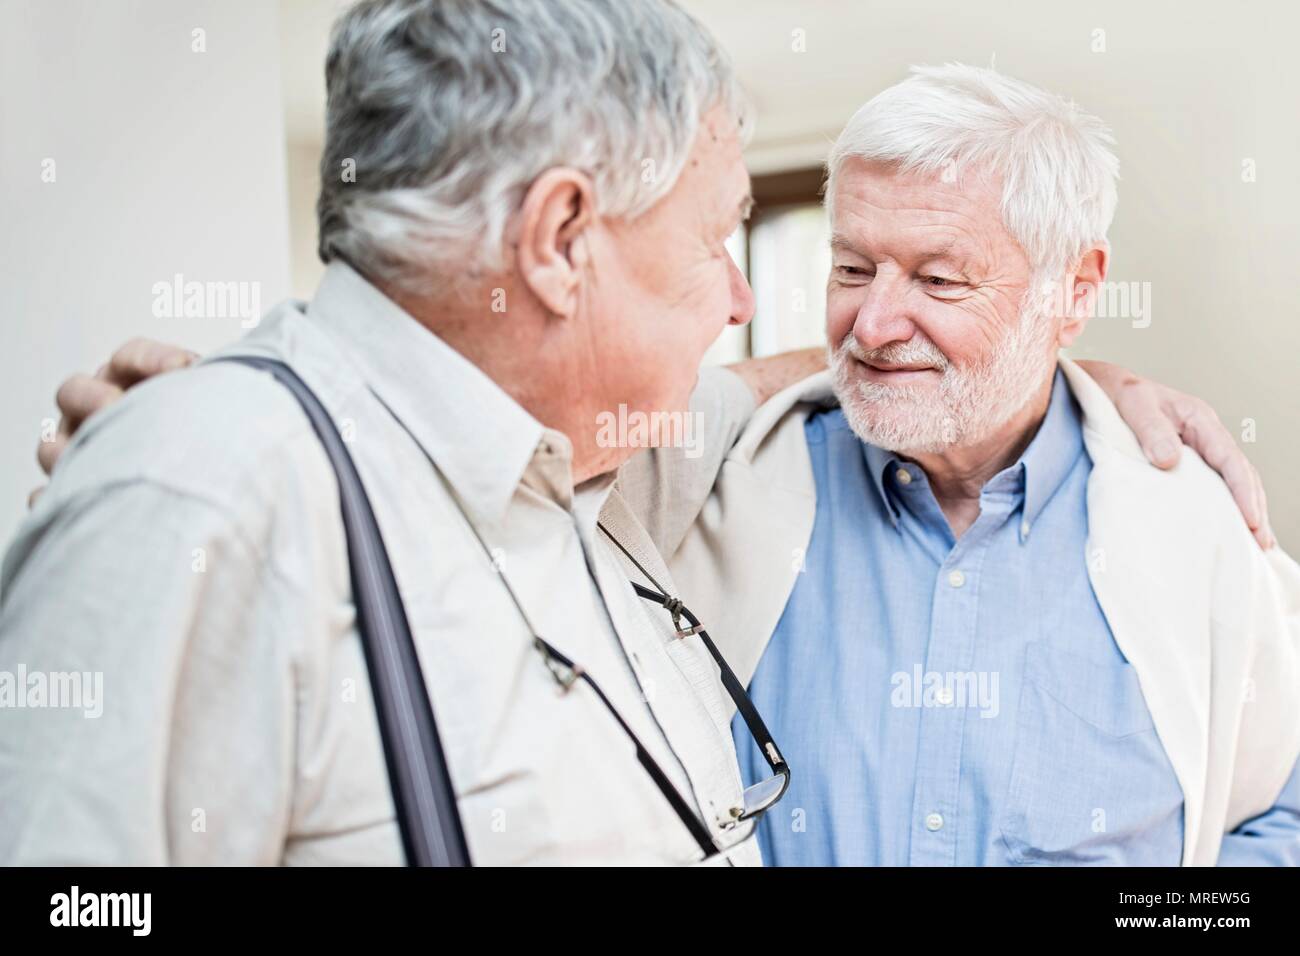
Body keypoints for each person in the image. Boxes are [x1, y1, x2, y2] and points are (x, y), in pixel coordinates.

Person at [4, 4, 1271, 866]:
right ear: (561, 242)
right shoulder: (215, 491)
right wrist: (188, 460)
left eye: (939, 279)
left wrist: (1058, 364)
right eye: (726, 241)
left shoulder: (579, 463)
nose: (741, 297)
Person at [640, 65, 1299, 865]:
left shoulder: (1199, 526)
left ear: (1076, 291)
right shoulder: (715, 489)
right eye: (851, 268)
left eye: (938, 279)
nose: (874, 324)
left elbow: (1279, 822)